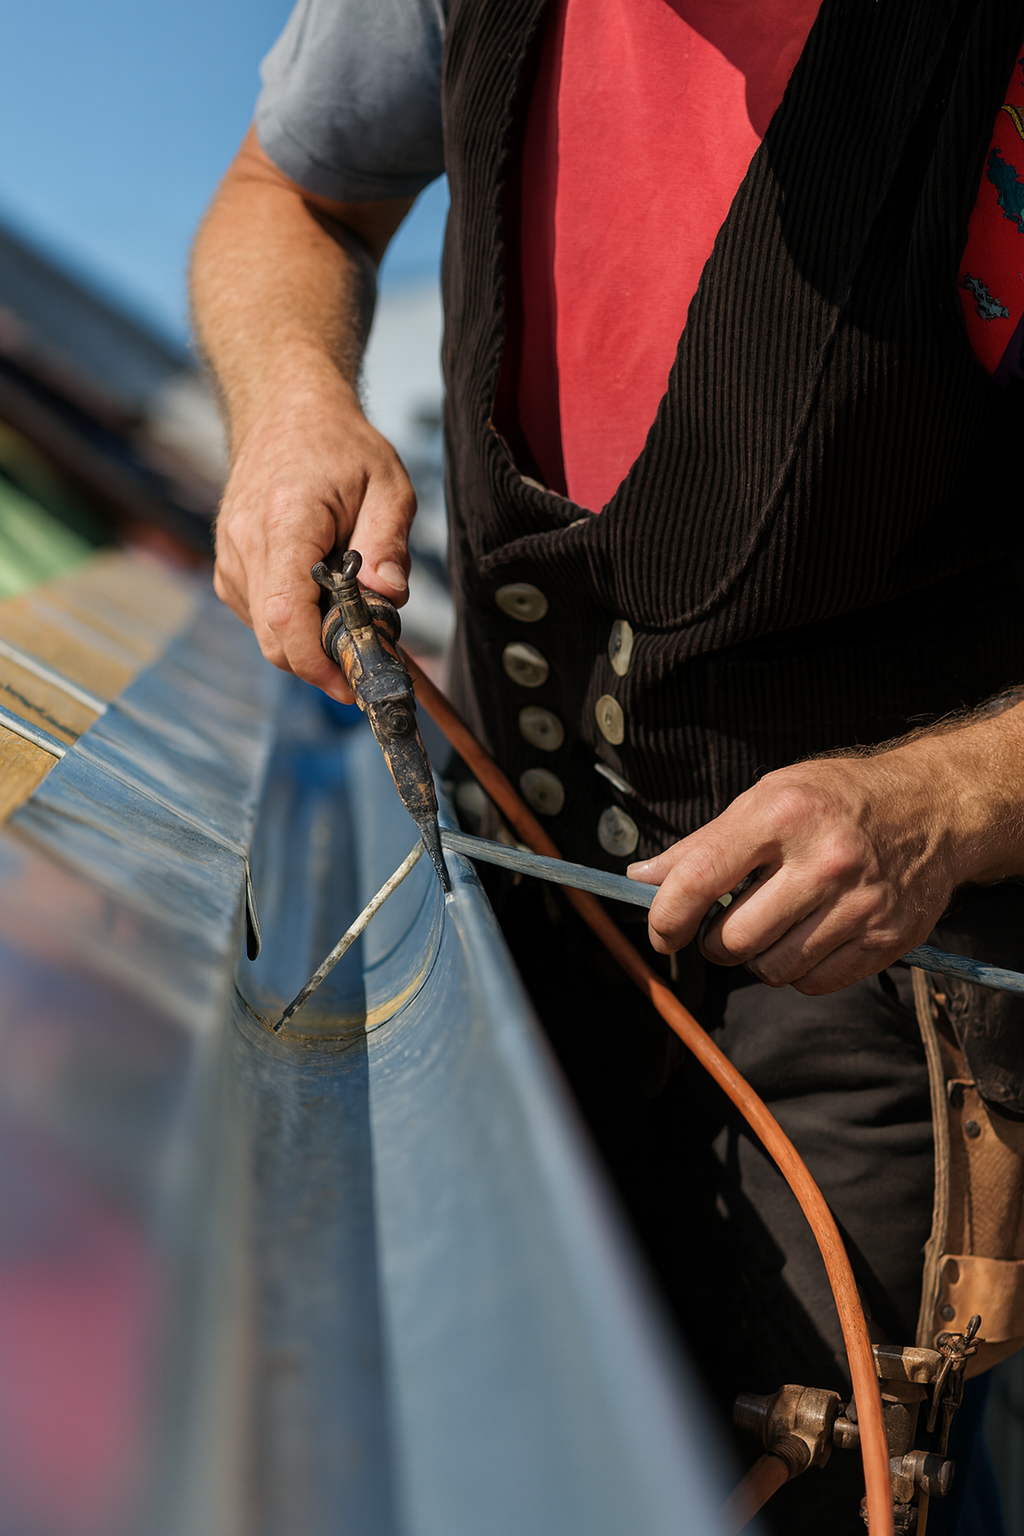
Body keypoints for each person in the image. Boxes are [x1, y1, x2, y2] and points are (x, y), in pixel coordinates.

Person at [191, 3, 1024, 1528]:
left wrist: (952, 799)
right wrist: (295, 405)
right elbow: (292, 195)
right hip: (511, 896)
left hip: (888, 989)